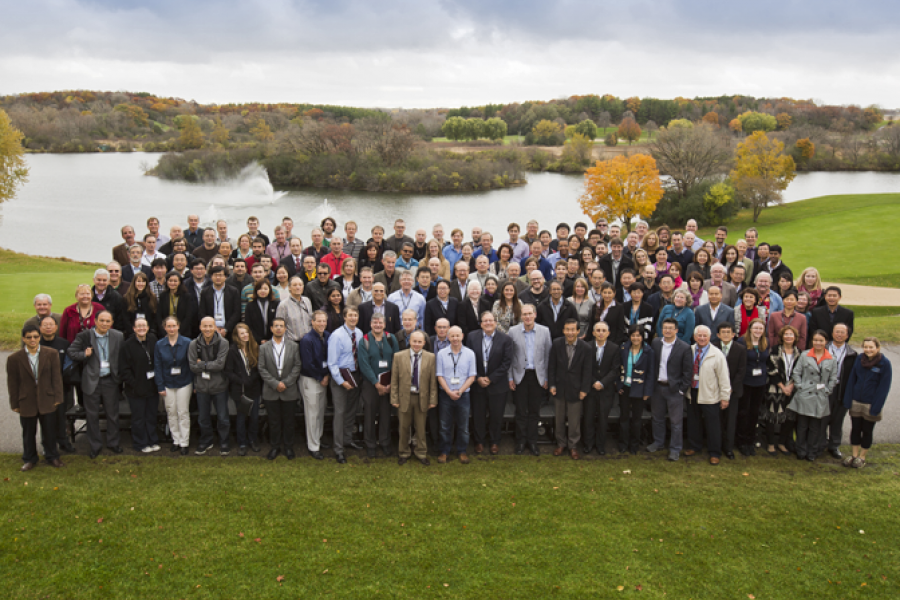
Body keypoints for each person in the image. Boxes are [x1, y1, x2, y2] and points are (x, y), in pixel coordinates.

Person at [8, 323, 65, 471]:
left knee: (49, 431)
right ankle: (29, 458)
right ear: (24, 339)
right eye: (29, 337)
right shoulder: (14, 358)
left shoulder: (51, 354)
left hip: (47, 398)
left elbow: (56, 378)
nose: (32, 340)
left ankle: (52, 456)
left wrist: (58, 397)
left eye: (35, 336)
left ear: (39, 337)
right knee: (28, 432)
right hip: (27, 400)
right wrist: (14, 403)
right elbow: (13, 383)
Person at [67, 310, 124, 458]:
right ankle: (95, 445)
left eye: (108, 321)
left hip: (110, 380)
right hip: (92, 381)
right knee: (92, 416)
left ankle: (113, 443)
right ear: (96, 321)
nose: (105, 324)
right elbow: (71, 352)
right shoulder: (85, 336)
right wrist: (83, 355)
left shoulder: (118, 336)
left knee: (112, 414)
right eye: (102, 320)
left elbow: (122, 355)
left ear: (111, 323)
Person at [683, 324, 731, 465]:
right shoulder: (689, 350)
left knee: (713, 425)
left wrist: (725, 396)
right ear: (695, 337)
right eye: (699, 335)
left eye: (705, 336)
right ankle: (694, 446)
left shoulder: (717, 354)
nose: (702, 338)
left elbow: (724, 377)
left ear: (710, 337)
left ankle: (715, 452)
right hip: (692, 392)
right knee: (693, 421)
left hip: (710, 394)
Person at [467, 311, 513, 455]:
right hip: (477, 384)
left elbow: (506, 362)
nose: (488, 323)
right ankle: (479, 442)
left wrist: (491, 378)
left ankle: (494, 441)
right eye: (485, 321)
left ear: (495, 323)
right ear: (481, 324)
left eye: (490, 321)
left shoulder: (505, 339)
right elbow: (468, 359)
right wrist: (478, 377)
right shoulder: (472, 337)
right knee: (478, 415)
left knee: (496, 415)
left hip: (497, 385)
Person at [842, 337, 892, 469]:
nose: (868, 350)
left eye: (871, 347)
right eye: (866, 347)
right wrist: (848, 399)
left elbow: (884, 388)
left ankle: (862, 457)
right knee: (855, 429)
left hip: (871, 403)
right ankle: (854, 455)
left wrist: (876, 407)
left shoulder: (884, 364)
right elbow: (852, 379)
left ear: (878, 348)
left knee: (867, 430)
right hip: (856, 401)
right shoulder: (859, 360)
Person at [789, 330, 838, 461]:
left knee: (815, 427)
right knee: (802, 425)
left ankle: (812, 451)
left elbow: (833, 378)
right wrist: (800, 387)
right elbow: (796, 372)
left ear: (826, 342)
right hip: (805, 394)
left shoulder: (832, 359)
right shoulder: (805, 355)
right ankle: (800, 450)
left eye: (821, 340)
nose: (818, 343)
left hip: (819, 396)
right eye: (815, 340)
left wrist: (827, 390)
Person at [390, 330, 438, 465]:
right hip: (404, 397)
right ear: (409, 341)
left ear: (424, 343)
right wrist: (394, 398)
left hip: (422, 398)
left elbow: (433, 381)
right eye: (414, 341)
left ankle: (421, 452)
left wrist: (433, 399)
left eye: (419, 341)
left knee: (421, 428)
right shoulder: (398, 356)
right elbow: (394, 380)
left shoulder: (431, 357)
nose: (416, 344)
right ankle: (403, 452)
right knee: (404, 427)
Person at [258, 318, 303, 460]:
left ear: (285, 329)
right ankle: (275, 447)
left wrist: (285, 382)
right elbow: (261, 368)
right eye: (276, 326)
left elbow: (297, 366)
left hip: (288, 390)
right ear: (271, 328)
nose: (278, 328)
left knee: (289, 421)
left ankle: (288, 447)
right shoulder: (263, 347)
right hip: (271, 390)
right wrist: (275, 383)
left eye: (281, 326)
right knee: (274, 422)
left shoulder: (293, 346)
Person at [648, 318, 692, 461]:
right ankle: (658, 442)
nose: (667, 330)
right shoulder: (655, 343)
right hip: (657, 388)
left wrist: (682, 390)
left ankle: (675, 448)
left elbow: (687, 372)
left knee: (676, 422)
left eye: (670, 328)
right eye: (665, 327)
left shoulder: (684, 347)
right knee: (657, 418)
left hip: (674, 390)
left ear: (676, 330)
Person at [358, 313, 399, 458]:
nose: (377, 325)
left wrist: (390, 383)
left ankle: (385, 442)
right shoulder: (365, 340)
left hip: (388, 384)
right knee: (369, 414)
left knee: (386, 414)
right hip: (371, 384)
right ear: (370, 324)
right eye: (375, 323)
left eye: (380, 322)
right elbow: (364, 364)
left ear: (384, 324)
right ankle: (370, 444)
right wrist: (376, 383)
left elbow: (396, 360)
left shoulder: (391, 338)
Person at [188, 316, 231, 455]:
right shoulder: (193, 344)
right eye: (204, 326)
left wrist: (202, 364)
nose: (207, 329)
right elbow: (193, 367)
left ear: (215, 327)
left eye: (210, 326)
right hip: (201, 387)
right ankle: (206, 441)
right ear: (200, 327)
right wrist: (204, 365)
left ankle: (224, 442)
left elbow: (220, 365)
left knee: (223, 417)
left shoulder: (223, 343)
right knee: (203, 418)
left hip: (219, 387)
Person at [435, 325, 477, 464]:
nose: (455, 338)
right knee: (444, 425)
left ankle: (462, 451)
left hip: (463, 395)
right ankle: (444, 451)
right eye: (452, 336)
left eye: (457, 335)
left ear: (462, 336)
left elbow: (472, 376)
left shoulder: (470, 354)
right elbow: (439, 375)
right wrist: (448, 391)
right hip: (445, 394)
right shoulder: (441, 354)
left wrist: (459, 391)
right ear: (448, 337)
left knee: (463, 426)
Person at [328, 307, 364, 464]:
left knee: (351, 410)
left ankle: (347, 439)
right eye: (350, 315)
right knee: (340, 412)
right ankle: (338, 449)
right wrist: (341, 381)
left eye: (355, 315)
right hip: (341, 378)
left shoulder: (360, 333)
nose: (353, 318)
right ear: (344, 317)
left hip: (355, 375)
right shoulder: (336, 336)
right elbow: (332, 362)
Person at [118, 317, 160, 453]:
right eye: (138, 326)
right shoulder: (127, 345)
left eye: (144, 326)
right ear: (134, 329)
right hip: (135, 389)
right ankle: (140, 443)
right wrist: (134, 384)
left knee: (151, 416)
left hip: (152, 386)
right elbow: (123, 369)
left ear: (148, 327)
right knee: (138, 418)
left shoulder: (153, 340)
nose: (141, 328)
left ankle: (152, 440)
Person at [581, 320, 622, 456]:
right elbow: (585, 367)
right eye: (598, 330)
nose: (600, 333)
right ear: (593, 333)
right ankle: (588, 444)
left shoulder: (614, 348)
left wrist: (602, 383)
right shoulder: (586, 346)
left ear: (608, 333)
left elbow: (615, 370)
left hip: (606, 390)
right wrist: (593, 382)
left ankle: (600, 445)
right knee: (588, 418)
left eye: (603, 331)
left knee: (603, 419)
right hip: (590, 388)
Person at [154, 316, 193, 455]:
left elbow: (191, 364)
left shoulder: (187, 342)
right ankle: (175, 440)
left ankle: (184, 442)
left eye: (173, 326)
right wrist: (160, 385)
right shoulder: (159, 344)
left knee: (182, 412)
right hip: (167, 383)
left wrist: (193, 383)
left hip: (184, 381)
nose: (171, 329)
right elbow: (157, 366)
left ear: (178, 326)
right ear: (164, 328)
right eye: (168, 326)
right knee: (171, 412)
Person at [37, 316, 75, 453]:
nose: (48, 327)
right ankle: (48, 445)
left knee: (60, 416)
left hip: (60, 386)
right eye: (45, 325)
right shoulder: (36, 344)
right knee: (46, 418)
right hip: (42, 388)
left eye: (51, 324)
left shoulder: (64, 344)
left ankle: (63, 442)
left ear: (56, 327)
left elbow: (69, 365)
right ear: (40, 328)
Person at [617, 324, 655, 454]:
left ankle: (634, 445)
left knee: (637, 420)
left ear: (642, 336)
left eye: (638, 335)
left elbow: (651, 373)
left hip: (640, 389)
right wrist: (619, 386)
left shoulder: (648, 351)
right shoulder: (623, 348)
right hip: (625, 388)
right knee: (624, 418)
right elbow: (617, 368)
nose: (635, 338)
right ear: (629, 336)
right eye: (633, 335)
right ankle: (623, 443)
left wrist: (647, 392)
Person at [820, 323, 857, 459]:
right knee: (823, 418)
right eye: (837, 331)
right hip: (824, 389)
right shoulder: (823, 348)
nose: (839, 334)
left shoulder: (852, 354)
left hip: (841, 389)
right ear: (832, 333)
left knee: (837, 419)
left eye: (842, 332)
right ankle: (821, 444)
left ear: (847, 335)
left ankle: (834, 445)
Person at [297, 311, 330, 460]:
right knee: (312, 414)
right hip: (311, 379)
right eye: (319, 321)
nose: (322, 324)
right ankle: (313, 446)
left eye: (324, 321)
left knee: (321, 411)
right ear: (313, 322)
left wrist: (327, 375)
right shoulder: (307, 340)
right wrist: (320, 377)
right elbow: (307, 364)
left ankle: (318, 439)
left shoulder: (328, 336)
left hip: (324, 378)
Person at [735, 318, 769, 457]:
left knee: (755, 412)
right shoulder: (741, 342)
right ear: (750, 329)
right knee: (744, 412)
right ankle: (741, 441)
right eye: (755, 328)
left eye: (760, 329)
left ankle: (750, 440)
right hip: (746, 382)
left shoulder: (765, 343)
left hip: (760, 383)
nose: (758, 331)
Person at [226, 323, 262, 456]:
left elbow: (259, 368)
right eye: (242, 333)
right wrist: (242, 381)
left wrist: (251, 379)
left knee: (254, 417)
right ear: (237, 336)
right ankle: (242, 443)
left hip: (254, 388)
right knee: (241, 417)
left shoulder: (255, 347)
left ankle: (252, 440)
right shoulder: (232, 351)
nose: (245, 335)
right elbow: (229, 372)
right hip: (239, 390)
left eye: (246, 332)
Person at [763, 325, 798, 457]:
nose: (788, 337)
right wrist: (783, 387)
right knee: (772, 416)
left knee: (789, 417)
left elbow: (799, 370)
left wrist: (791, 385)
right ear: (782, 337)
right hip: (775, 388)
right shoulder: (775, 350)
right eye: (786, 334)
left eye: (791, 334)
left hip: (792, 389)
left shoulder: (799, 353)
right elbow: (771, 369)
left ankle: (782, 443)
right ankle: (771, 444)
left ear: (795, 338)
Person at [156, 271, 196, 338]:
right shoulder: (163, 296)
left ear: (180, 282)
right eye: (170, 281)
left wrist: (178, 332)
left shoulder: (186, 296)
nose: (172, 283)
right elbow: (159, 316)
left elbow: (188, 316)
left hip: (183, 333)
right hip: (165, 333)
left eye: (175, 281)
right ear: (167, 282)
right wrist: (164, 331)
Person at [276, 277, 314, 343]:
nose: (298, 287)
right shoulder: (283, 305)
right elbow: (279, 326)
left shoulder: (307, 301)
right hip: (293, 342)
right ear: (289, 287)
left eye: (300, 285)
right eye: (295, 285)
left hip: (308, 341)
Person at [245, 279, 279, 344]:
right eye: (260, 288)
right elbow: (248, 325)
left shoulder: (276, 304)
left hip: (273, 340)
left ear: (270, 290)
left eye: (265, 289)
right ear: (256, 290)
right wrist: (259, 340)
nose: (262, 291)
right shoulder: (250, 306)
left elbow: (278, 323)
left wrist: (272, 338)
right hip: (255, 341)